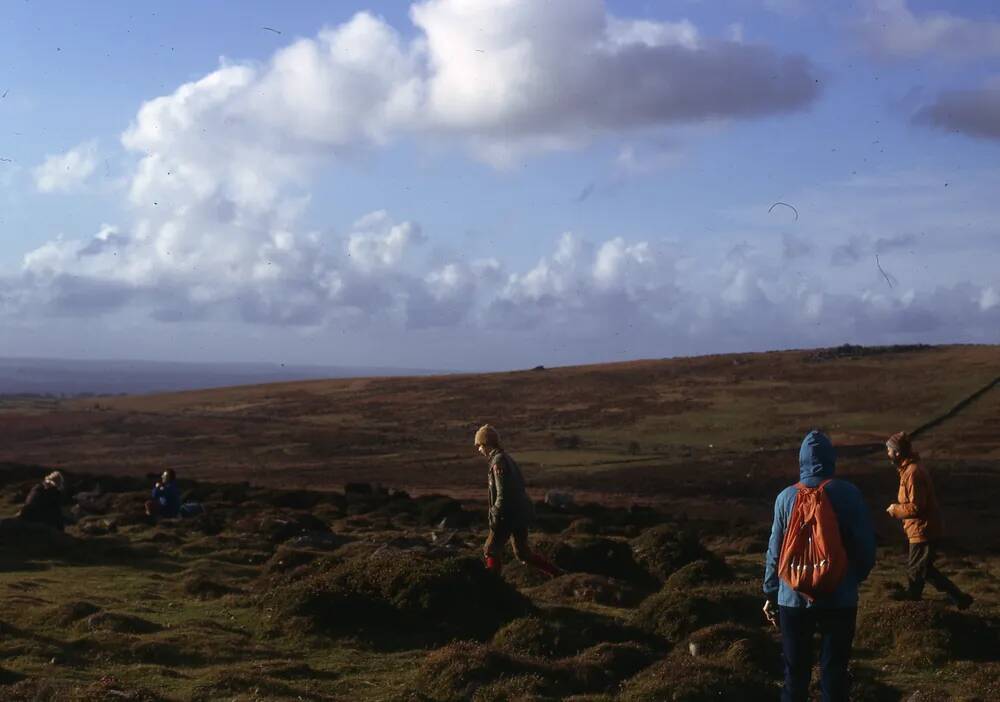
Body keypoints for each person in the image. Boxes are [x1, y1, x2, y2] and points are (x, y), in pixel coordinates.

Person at [763, 430, 876, 702]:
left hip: (792, 596)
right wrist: (851, 578)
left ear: (801, 460)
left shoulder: (785, 498)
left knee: (795, 675)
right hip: (840, 596)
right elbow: (865, 546)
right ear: (830, 459)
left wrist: (770, 592)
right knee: (834, 673)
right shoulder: (849, 494)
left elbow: (775, 550)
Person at [885, 431, 973, 609]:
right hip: (921, 529)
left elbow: (917, 506)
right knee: (923, 570)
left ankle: (914, 605)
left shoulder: (913, 473)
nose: (887, 454)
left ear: (897, 452)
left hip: (923, 530)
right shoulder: (909, 470)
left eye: (889, 450)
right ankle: (958, 599)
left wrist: (895, 510)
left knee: (917, 570)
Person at [476, 424, 562, 578]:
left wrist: (495, 514)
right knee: (522, 553)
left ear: (486, 444)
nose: (479, 450)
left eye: (480, 445)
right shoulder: (506, 458)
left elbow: (503, 494)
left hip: (508, 514)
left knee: (491, 549)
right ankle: (557, 573)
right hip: (520, 512)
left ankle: (493, 585)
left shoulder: (498, 461)